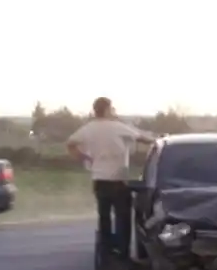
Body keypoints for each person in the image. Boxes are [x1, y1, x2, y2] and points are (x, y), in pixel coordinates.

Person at [66, 96, 157, 258]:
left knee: (104, 217)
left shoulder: (88, 129)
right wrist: (159, 141)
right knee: (123, 217)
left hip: (99, 180)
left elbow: (70, 143)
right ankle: (123, 253)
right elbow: (142, 138)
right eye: (112, 108)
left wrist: (84, 158)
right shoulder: (117, 127)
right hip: (118, 180)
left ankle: (106, 251)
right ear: (107, 109)